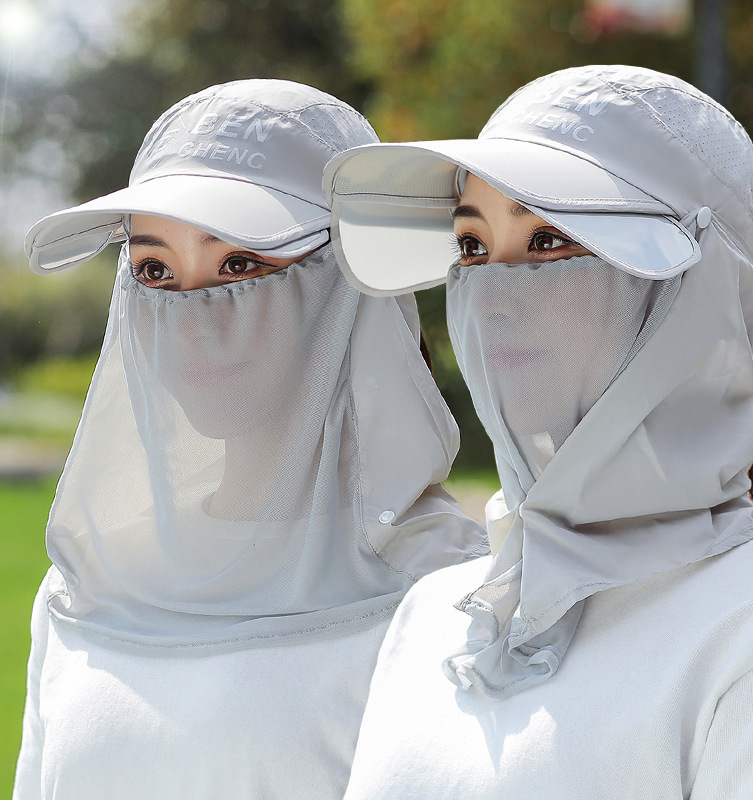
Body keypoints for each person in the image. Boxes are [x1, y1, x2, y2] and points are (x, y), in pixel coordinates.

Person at [322, 65, 753, 798]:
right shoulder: (431, 617)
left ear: (698, 289)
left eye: (549, 240)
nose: (494, 295)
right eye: (472, 247)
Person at [13, 79, 487, 800]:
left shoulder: (457, 601)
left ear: (351, 286)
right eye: (154, 270)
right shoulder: (89, 581)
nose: (193, 318)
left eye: (241, 265)